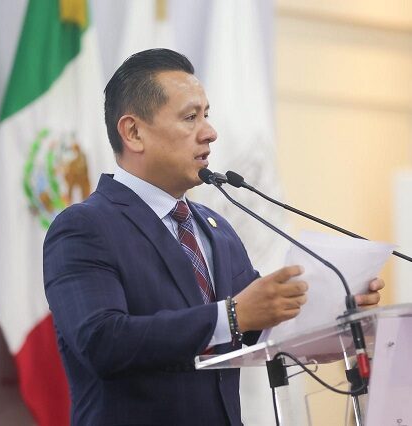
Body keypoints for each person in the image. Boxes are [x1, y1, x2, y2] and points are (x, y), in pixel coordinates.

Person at [43, 49, 384, 426]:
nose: (210, 132)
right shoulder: (84, 227)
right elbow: (101, 341)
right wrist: (231, 316)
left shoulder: (214, 227)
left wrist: (337, 313)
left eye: (206, 115)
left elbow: (262, 327)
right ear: (134, 132)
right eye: (190, 117)